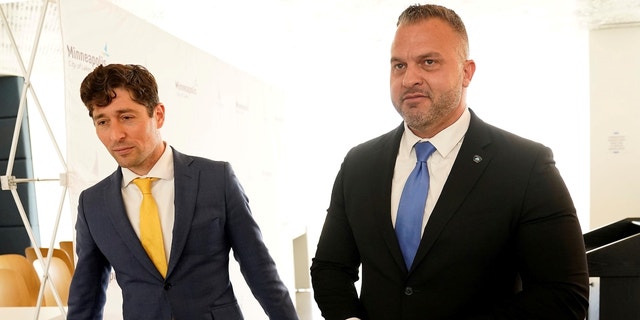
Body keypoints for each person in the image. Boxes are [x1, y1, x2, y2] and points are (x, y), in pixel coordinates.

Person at [310, 4, 589, 320]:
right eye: (399, 66)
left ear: (466, 72)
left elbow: (564, 295)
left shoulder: (527, 167)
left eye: (428, 62)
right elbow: (330, 267)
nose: (409, 78)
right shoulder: (358, 164)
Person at [67, 64, 299, 320]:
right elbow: (86, 298)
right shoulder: (93, 204)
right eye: (103, 121)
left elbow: (261, 272)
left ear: (159, 115)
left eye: (127, 117)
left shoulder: (216, 179)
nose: (115, 135)